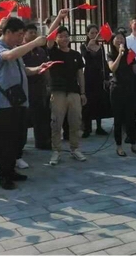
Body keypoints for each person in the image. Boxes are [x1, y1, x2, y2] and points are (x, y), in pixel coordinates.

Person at [0, 17, 54, 190]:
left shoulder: (13, 48)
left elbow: (23, 70)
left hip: (18, 101)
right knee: (6, 141)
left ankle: (11, 171)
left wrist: (38, 69)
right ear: (8, 32)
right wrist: (34, 43)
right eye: (18, 34)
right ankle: (4, 176)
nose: (20, 38)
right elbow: (9, 57)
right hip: (4, 104)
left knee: (16, 139)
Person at [47, 22, 88, 166]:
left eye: (66, 36)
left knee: (76, 121)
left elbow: (80, 75)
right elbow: (48, 37)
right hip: (58, 92)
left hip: (74, 92)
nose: (64, 39)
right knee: (56, 122)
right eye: (61, 36)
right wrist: (58, 18)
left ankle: (75, 148)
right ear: (56, 38)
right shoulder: (53, 52)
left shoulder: (76, 55)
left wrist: (82, 92)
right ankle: (56, 151)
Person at [107, 31, 136, 157]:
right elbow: (112, 68)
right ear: (113, 42)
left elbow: (134, 69)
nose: (120, 41)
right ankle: (119, 146)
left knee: (131, 118)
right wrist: (120, 55)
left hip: (129, 88)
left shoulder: (130, 53)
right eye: (117, 39)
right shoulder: (110, 54)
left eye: (121, 39)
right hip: (116, 89)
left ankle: (133, 144)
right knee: (118, 119)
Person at [22, 24, 51, 155]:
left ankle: (42, 141)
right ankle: (21, 144)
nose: (33, 35)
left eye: (35, 32)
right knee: (25, 117)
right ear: (24, 34)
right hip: (26, 86)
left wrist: (48, 84)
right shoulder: (21, 50)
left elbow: (46, 69)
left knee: (42, 115)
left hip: (39, 86)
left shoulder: (41, 51)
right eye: (30, 32)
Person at [80, 25, 109, 137]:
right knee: (88, 104)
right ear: (87, 34)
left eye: (96, 32)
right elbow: (86, 58)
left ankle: (99, 126)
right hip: (88, 77)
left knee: (99, 102)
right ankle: (87, 128)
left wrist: (106, 77)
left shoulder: (100, 47)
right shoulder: (84, 46)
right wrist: (89, 47)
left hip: (99, 77)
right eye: (92, 33)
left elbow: (103, 62)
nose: (94, 35)